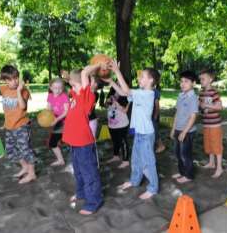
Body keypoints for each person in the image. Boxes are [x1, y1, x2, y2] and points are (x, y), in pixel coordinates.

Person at [102, 62, 159, 200]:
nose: (139, 78)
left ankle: (153, 188)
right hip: (139, 134)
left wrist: (116, 71)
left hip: (146, 135)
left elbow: (127, 91)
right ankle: (135, 181)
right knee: (135, 160)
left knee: (148, 162)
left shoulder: (149, 94)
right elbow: (123, 92)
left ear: (151, 80)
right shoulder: (140, 93)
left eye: (142, 76)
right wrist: (111, 82)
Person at [62, 65, 104, 215]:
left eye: (74, 84)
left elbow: (85, 72)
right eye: (71, 85)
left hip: (84, 144)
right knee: (78, 171)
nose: (71, 87)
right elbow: (74, 80)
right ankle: (81, 193)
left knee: (89, 173)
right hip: (74, 144)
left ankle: (94, 201)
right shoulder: (75, 94)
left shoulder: (87, 97)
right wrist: (71, 78)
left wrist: (99, 65)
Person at [0, 65, 36, 184]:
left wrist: (19, 91)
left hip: (21, 126)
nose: (14, 82)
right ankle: (25, 167)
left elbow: (22, 106)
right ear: (5, 80)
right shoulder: (4, 88)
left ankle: (32, 173)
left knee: (25, 150)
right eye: (10, 79)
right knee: (11, 150)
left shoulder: (24, 90)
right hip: (9, 126)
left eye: (16, 78)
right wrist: (1, 75)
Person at [170, 71, 199, 184]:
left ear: (193, 83)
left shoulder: (193, 98)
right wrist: (173, 128)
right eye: (181, 81)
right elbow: (177, 113)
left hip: (187, 131)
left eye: (186, 81)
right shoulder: (180, 95)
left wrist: (184, 132)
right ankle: (182, 172)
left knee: (185, 154)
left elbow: (193, 116)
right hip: (178, 129)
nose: (182, 84)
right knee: (177, 153)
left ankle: (189, 175)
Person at [198, 69, 224, 178]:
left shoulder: (214, 92)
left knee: (216, 145)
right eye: (200, 79)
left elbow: (219, 107)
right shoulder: (202, 93)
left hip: (214, 125)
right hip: (206, 124)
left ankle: (219, 168)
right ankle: (211, 163)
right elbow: (201, 108)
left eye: (203, 79)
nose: (201, 81)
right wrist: (201, 107)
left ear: (210, 79)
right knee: (208, 144)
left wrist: (206, 106)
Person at [105, 88, 131, 168]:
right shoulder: (111, 94)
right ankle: (115, 156)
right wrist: (107, 102)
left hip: (122, 124)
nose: (117, 84)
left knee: (123, 142)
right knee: (115, 141)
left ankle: (126, 161)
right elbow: (106, 105)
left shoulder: (126, 95)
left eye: (119, 83)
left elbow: (125, 110)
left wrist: (116, 103)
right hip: (112, 124)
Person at [46, 78, 69, 166]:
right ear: (51, 87)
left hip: (64, 123)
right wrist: (46, 118)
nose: (58, 90)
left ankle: (63, 160)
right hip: (56, 123)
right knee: (53, 143)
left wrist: (56, 120)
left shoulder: (64, 96)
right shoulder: (50, 96)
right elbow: (48, 109)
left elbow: (66, 112)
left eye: (60, 88)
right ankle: (61, 160)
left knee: (53, 142)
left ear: (63, 88)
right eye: (55, 88)